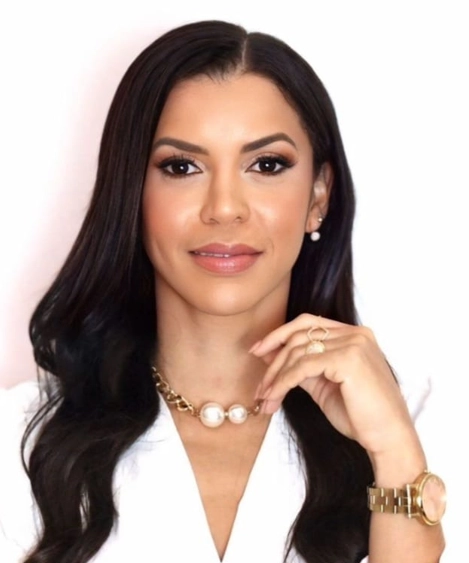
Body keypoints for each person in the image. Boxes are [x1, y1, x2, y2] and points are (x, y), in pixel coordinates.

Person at [0, 20, 446, 563]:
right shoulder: (19, 444)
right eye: (182, 166)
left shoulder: (419, 426)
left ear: (319, 196)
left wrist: (394, 455)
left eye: (267, 165)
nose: (225, 208)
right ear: (132, 194)